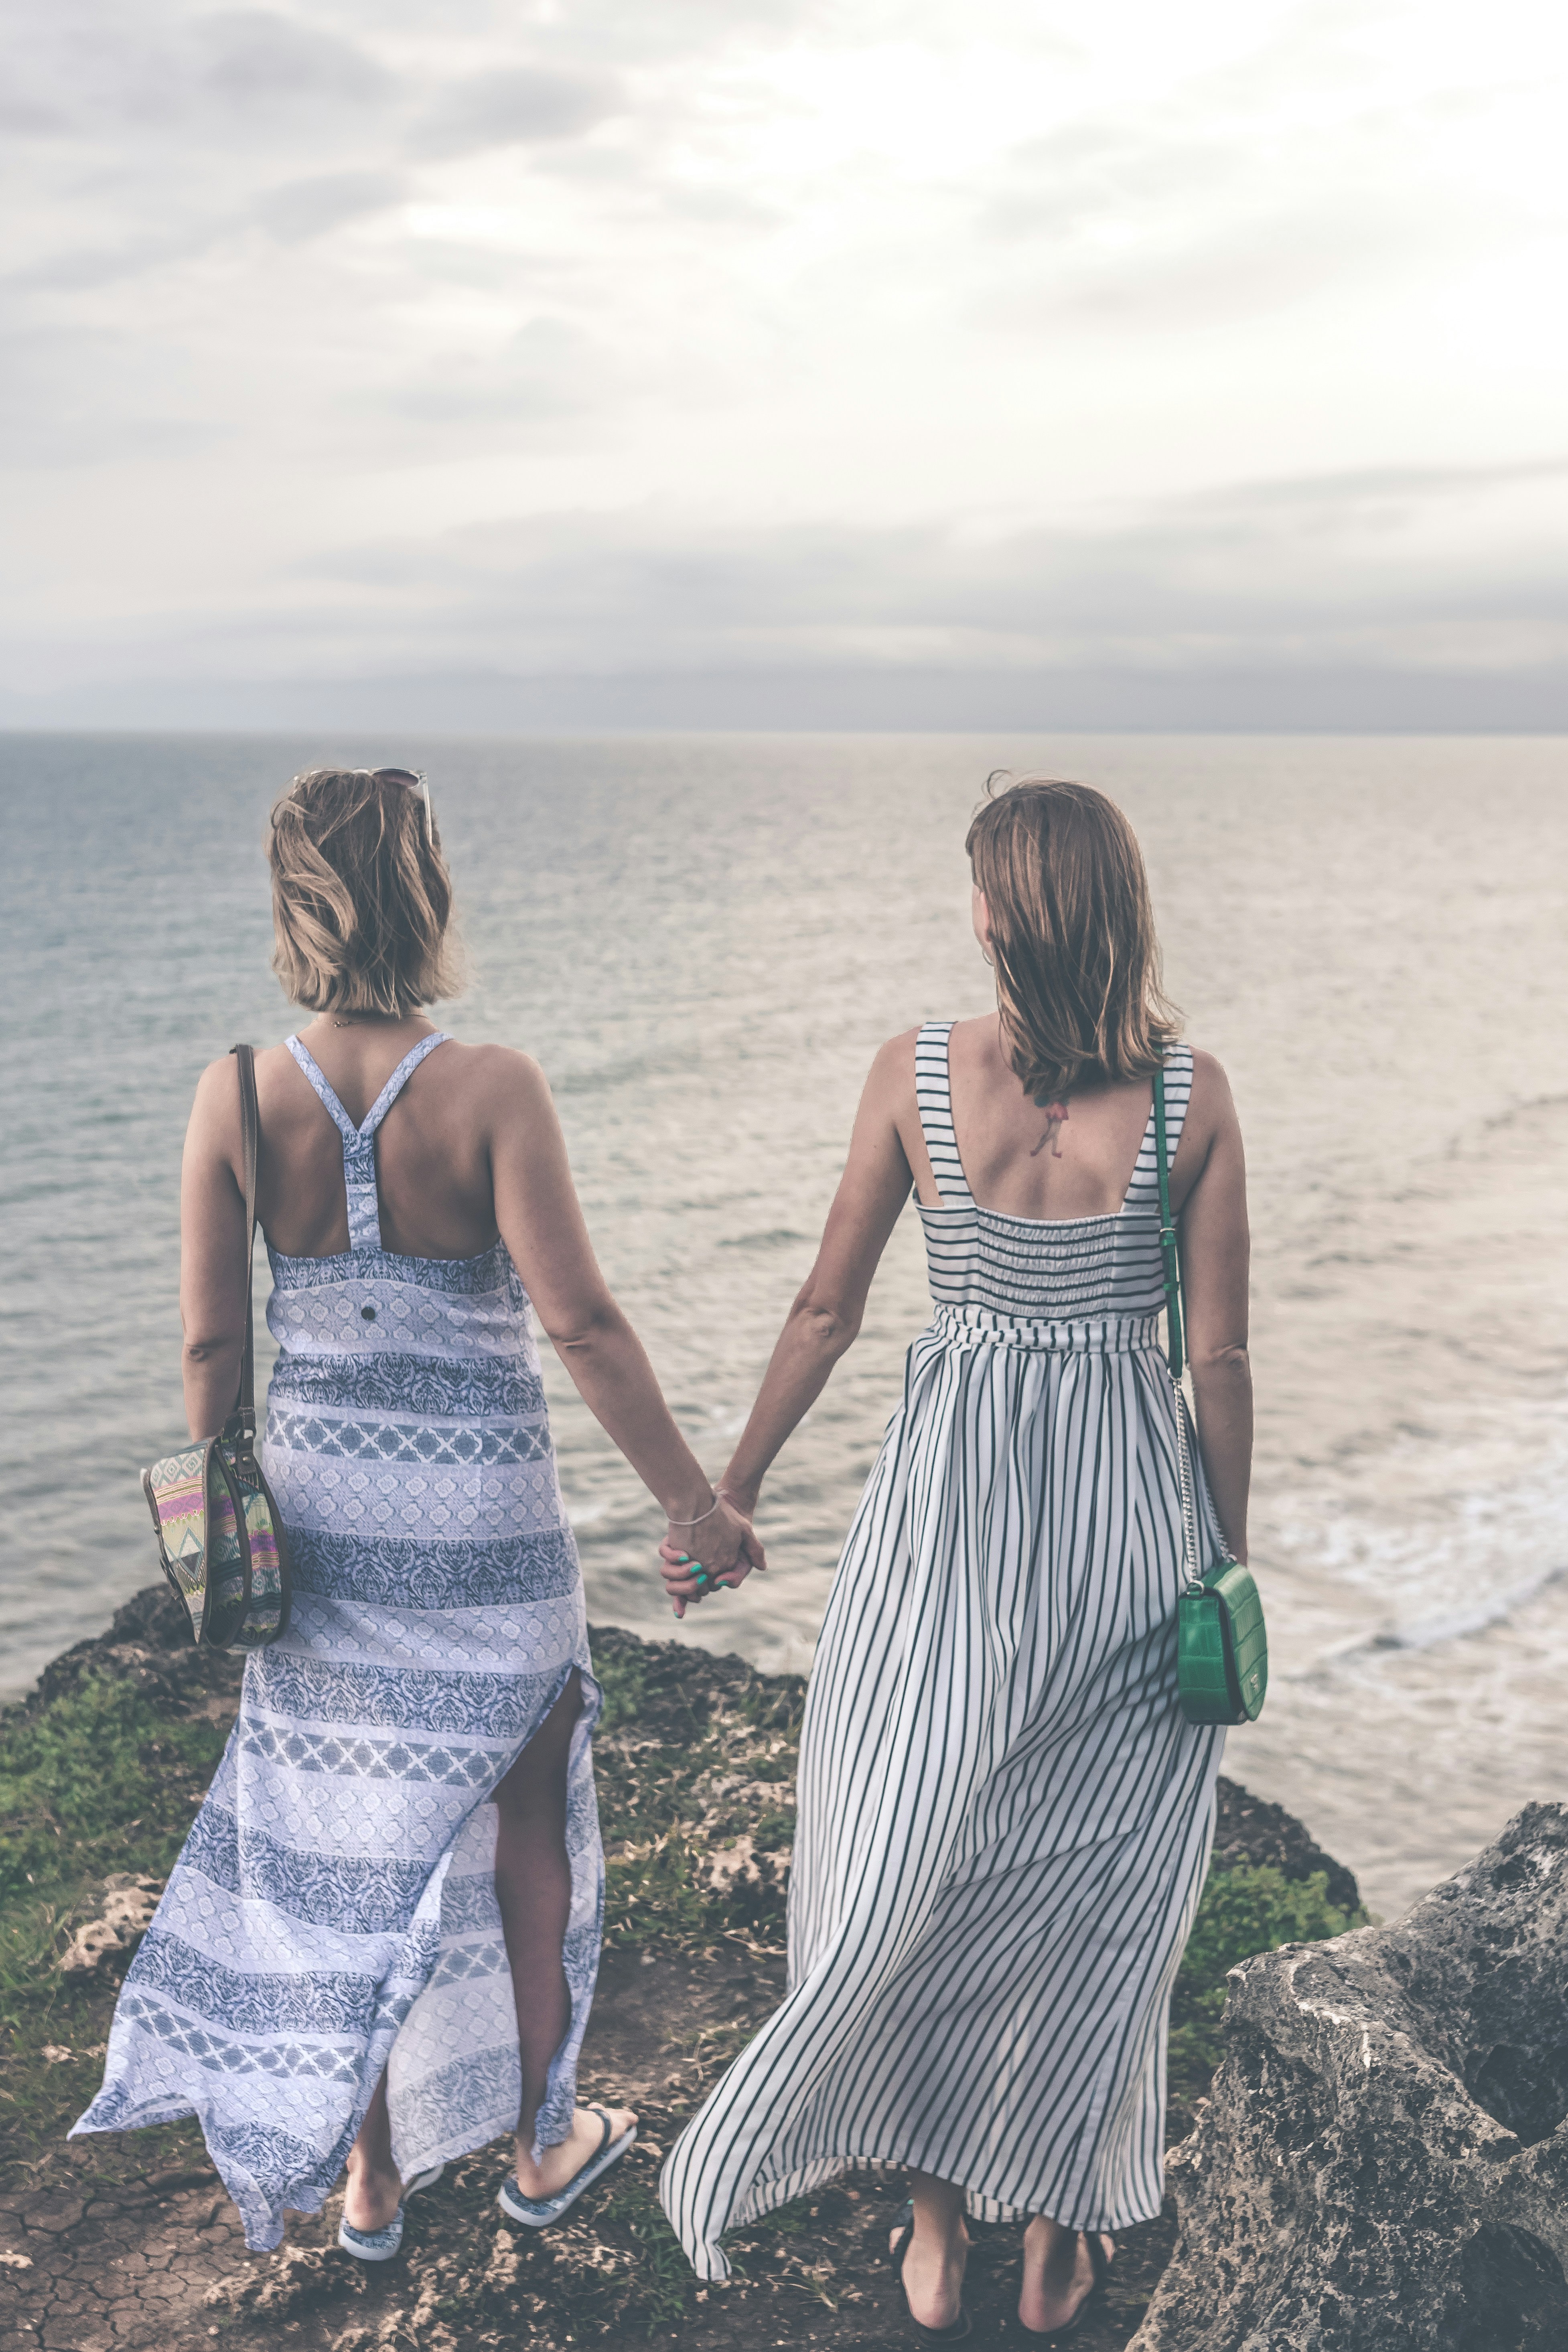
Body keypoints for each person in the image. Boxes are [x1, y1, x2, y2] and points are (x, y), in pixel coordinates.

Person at [75, 766, 761, 2257]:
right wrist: (694, 1507)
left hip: (318, 1529)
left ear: (292, 900)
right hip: (490, 1538)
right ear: (424, 891)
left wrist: (226, 1521)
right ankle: (539, 2142)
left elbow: (211, 1350)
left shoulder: (238, 1095)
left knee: (350, 1857)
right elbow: (579, 1324)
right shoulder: (493, 1087)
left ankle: (370, 2185)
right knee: (527, 1825)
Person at [658, 777, 1250, 2341]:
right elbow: (1224, 1360)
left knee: (906, 1847)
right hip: (1132, 1526)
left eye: (978, 884)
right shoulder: (1191, 1099)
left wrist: (728, 1493)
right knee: (1096, 1887)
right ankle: (1053, 2239)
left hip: (954, 1526)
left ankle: (937, 2232)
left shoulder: (919, 1074)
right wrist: (1228, 1564)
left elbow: (826, 1309)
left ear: (1005, 911)